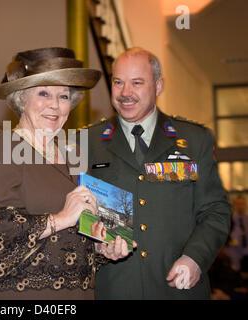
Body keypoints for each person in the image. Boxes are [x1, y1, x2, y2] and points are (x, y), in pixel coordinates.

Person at [0, 47, 134, 300]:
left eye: (64, 96)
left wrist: (103, 248)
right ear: (21, 98)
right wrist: (61, 218)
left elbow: (76, 239)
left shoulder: (74, 153)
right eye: (44, 93)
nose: (55, 106)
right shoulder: (0, 146)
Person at [86, 47, 231, 299]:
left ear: (159, 85)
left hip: (178, 289)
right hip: (115, 289)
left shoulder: (195, 140)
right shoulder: (87, 142)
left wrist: (195, 258)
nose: (125, 93)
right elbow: (75, 211)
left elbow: (215, 211)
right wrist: (95, 242)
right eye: (118, 82)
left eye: (137, 83)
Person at [226, 196, 248, 272]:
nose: (240, 206)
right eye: (238, 204)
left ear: (245, 205)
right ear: (234, 206)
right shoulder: (229, 221)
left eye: (242, 204)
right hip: (234, 253)